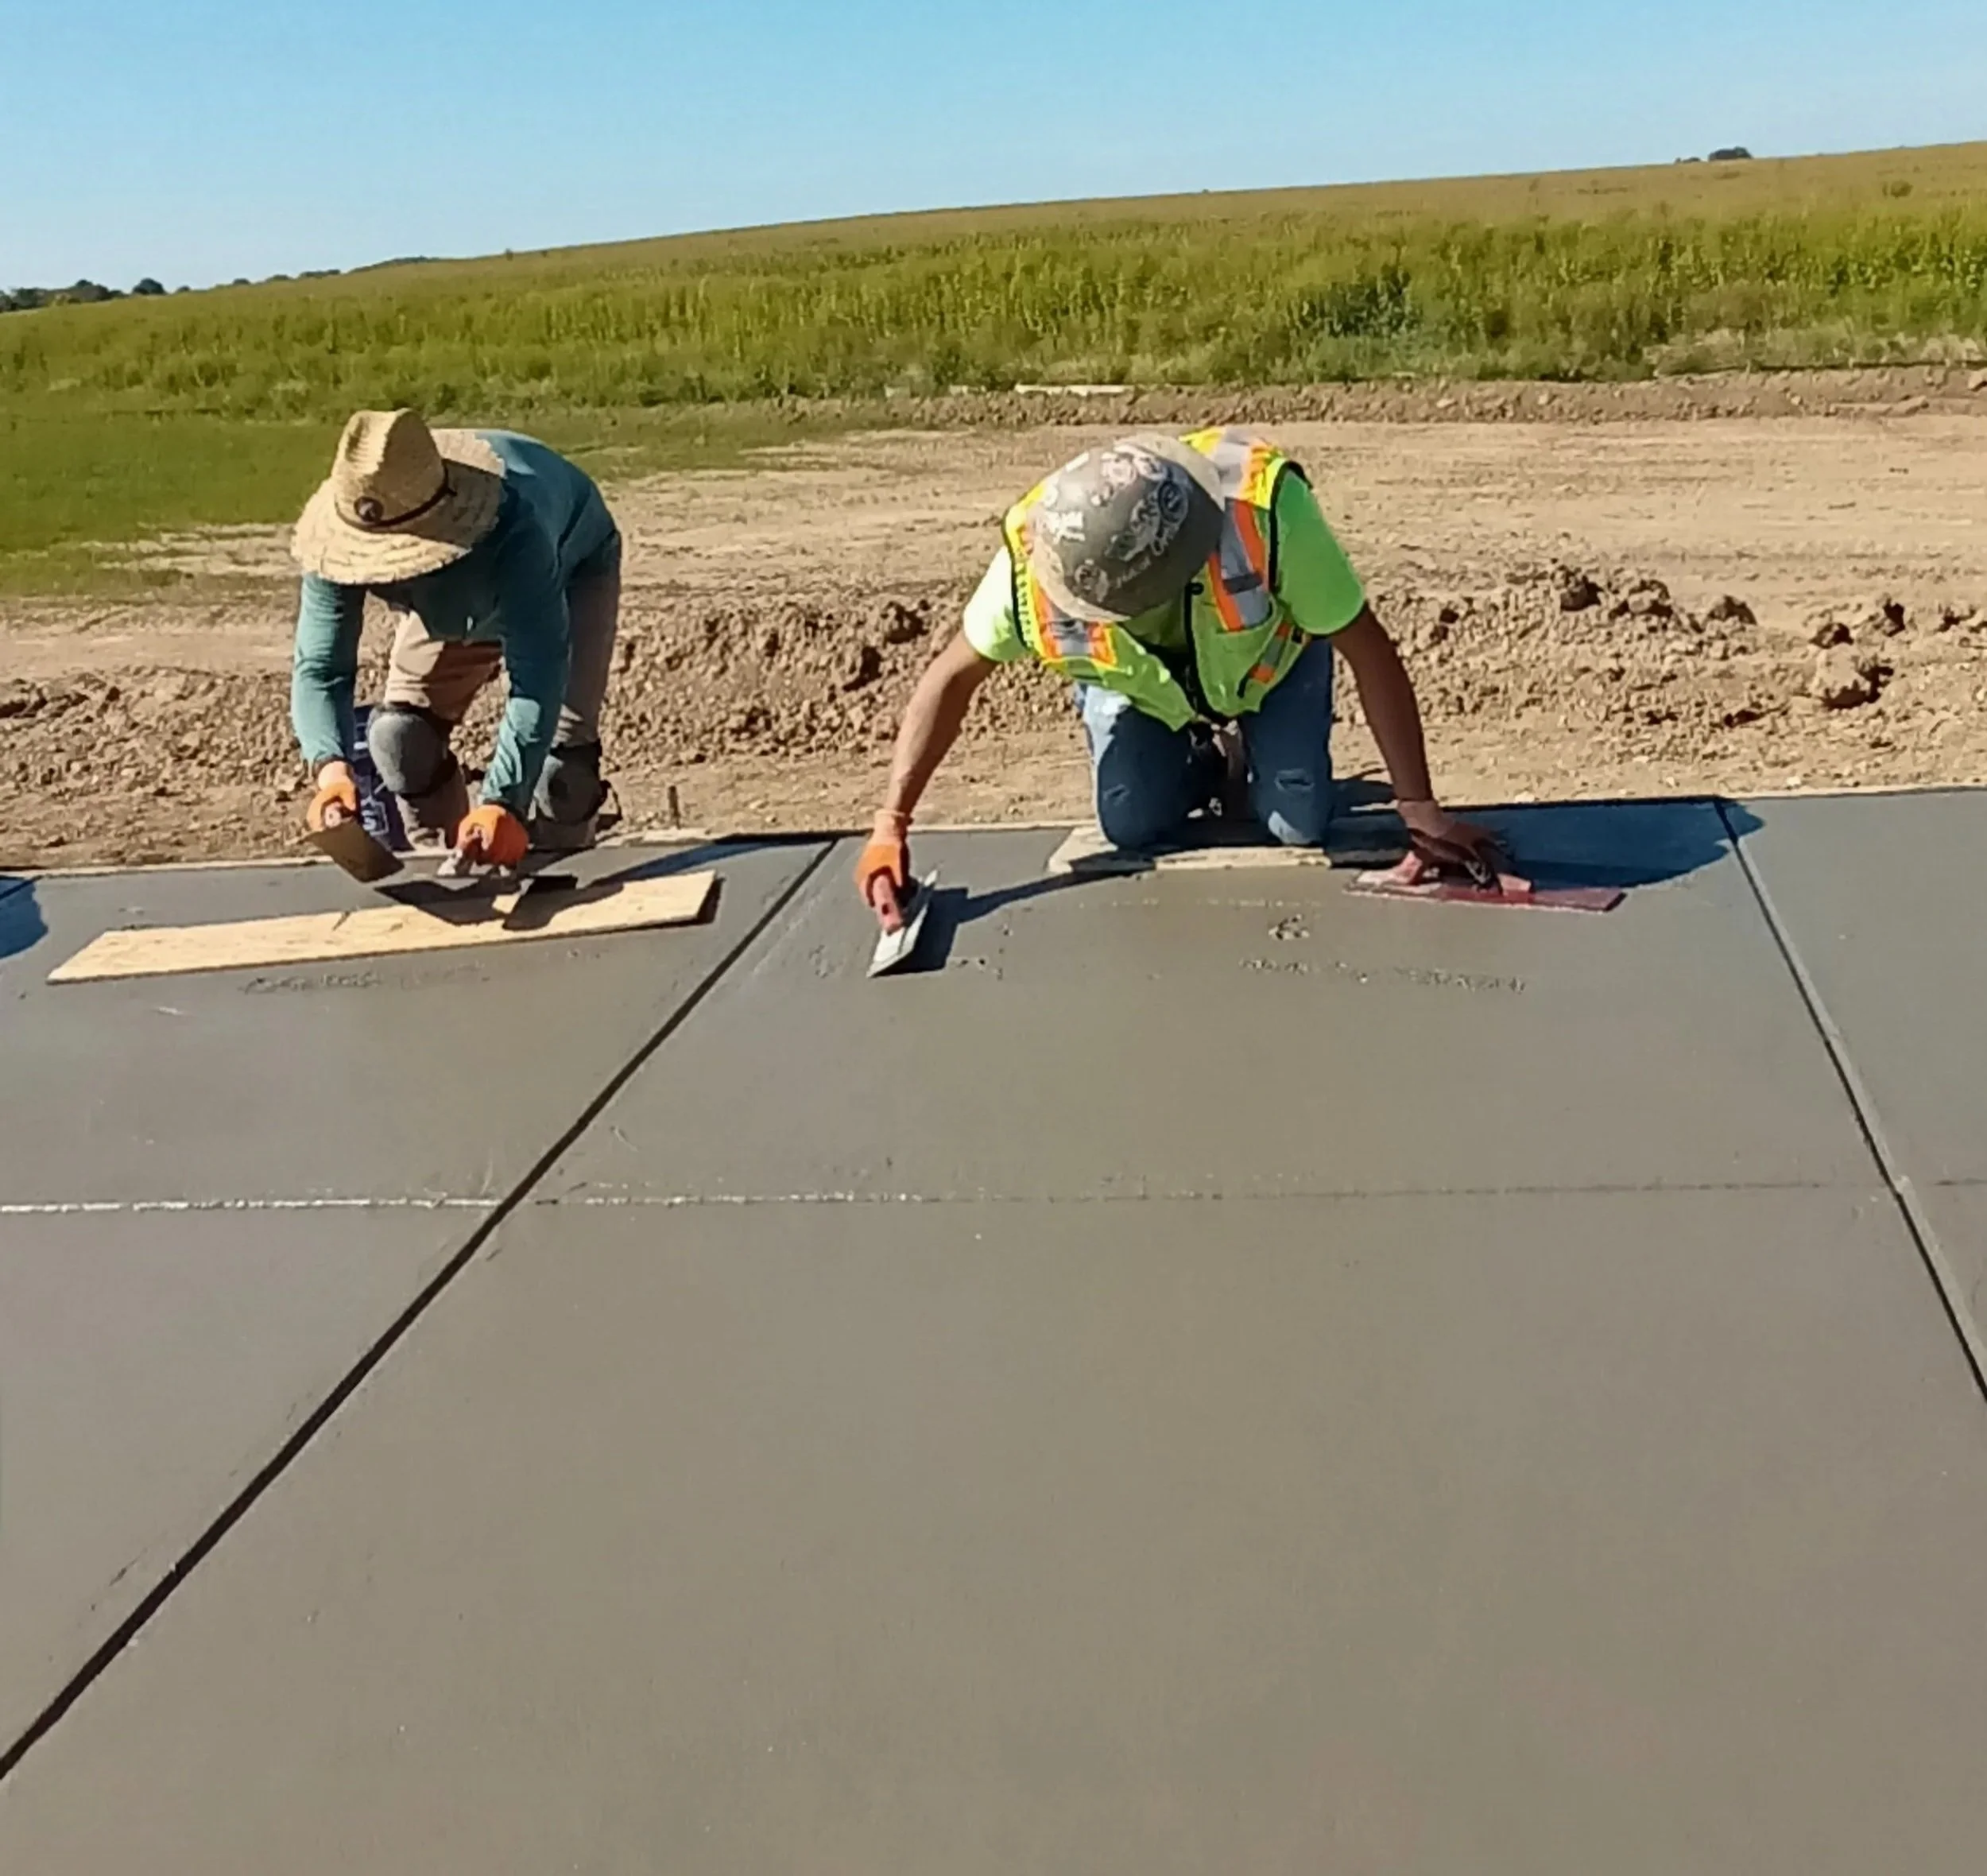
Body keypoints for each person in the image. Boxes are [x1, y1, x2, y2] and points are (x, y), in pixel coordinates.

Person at [856, 428, 1505, 912]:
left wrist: (1421, 813)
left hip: (1270, 665)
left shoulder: (1266, 514)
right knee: (1130, 822)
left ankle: (1259, 754)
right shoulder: (1041, 558)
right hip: (1147, 691)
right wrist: (891, 826)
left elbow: (1368, 647)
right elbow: (952, 676)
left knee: (1296, 821)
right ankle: (1209, 762)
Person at [289, 409, 621, 866]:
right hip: (456, 594)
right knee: (402, 741)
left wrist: (501, 801)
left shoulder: (515, 532)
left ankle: (564, 871)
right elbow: (321, 669)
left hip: (570, 566)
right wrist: (330, 772)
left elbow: (538, 677)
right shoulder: (346, 527)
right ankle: (451, 867)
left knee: (560, 777)